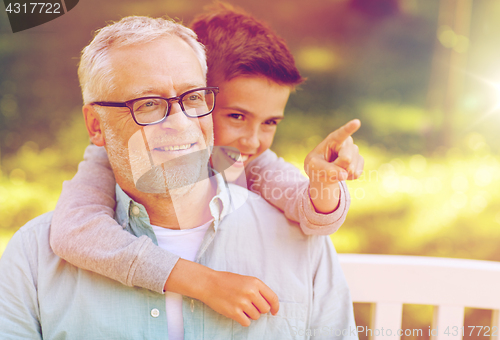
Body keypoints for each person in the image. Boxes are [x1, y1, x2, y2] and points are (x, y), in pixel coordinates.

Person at [0, 15, 358, 339]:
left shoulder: (283, 215)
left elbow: (309, 205)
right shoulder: (36, 255)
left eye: (192, 97)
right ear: (96, 126)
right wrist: (202, 282)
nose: (180, 122)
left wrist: (325, 185)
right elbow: (73, 230)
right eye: (148, 104)